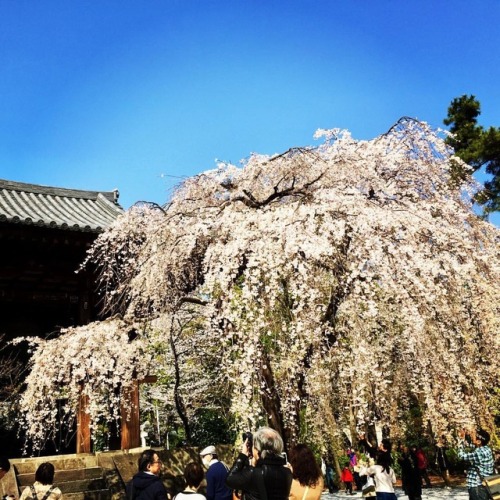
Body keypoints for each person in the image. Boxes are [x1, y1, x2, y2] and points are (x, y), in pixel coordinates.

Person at [225, 427, 292, 500]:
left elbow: (230, 479)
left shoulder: (253, 474)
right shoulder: (287, 473)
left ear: (258, 449)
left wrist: (242, 456)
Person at [457, 428, 494, 500]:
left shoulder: (479, 453)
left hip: (477, 486)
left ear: (479, 441)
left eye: (473, 435)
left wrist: (460, 440)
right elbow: (471, 445)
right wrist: (463, 439)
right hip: (482, 485)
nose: (471, 435)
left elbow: (461, 455)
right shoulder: (486, 449)